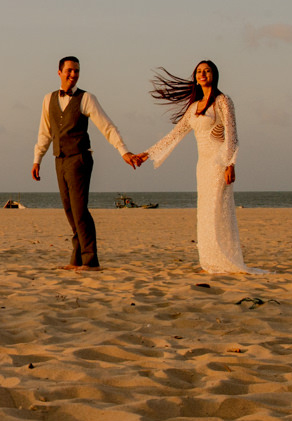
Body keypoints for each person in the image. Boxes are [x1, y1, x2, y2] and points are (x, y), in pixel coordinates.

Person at [136, 61, 263, 274]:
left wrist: (230, 163)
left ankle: (225, 259)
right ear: (195, 77)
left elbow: (232, 135)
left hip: (218, 163)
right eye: (199, 71)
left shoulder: (223, 101)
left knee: (217, 211)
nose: (203, 74)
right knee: (204, 213)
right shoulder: (194, 107)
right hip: (202, 166)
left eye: (207, 71)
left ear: (214, 75)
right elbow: (175, 134)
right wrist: (147, 153)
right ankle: (209, 261)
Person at [32, 56, 139, 270]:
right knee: (69, 210)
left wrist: (123, 151)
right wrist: (37, 160)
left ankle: (90, 260)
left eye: (77, 71)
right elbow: (45, 133)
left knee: (80, 210)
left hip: (79, 158)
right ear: (59, 72)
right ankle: (77, 258)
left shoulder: (86, 98)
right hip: (59, 159)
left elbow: (107, 126)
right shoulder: (48, 99)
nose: (73, 74)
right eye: (70, 70)